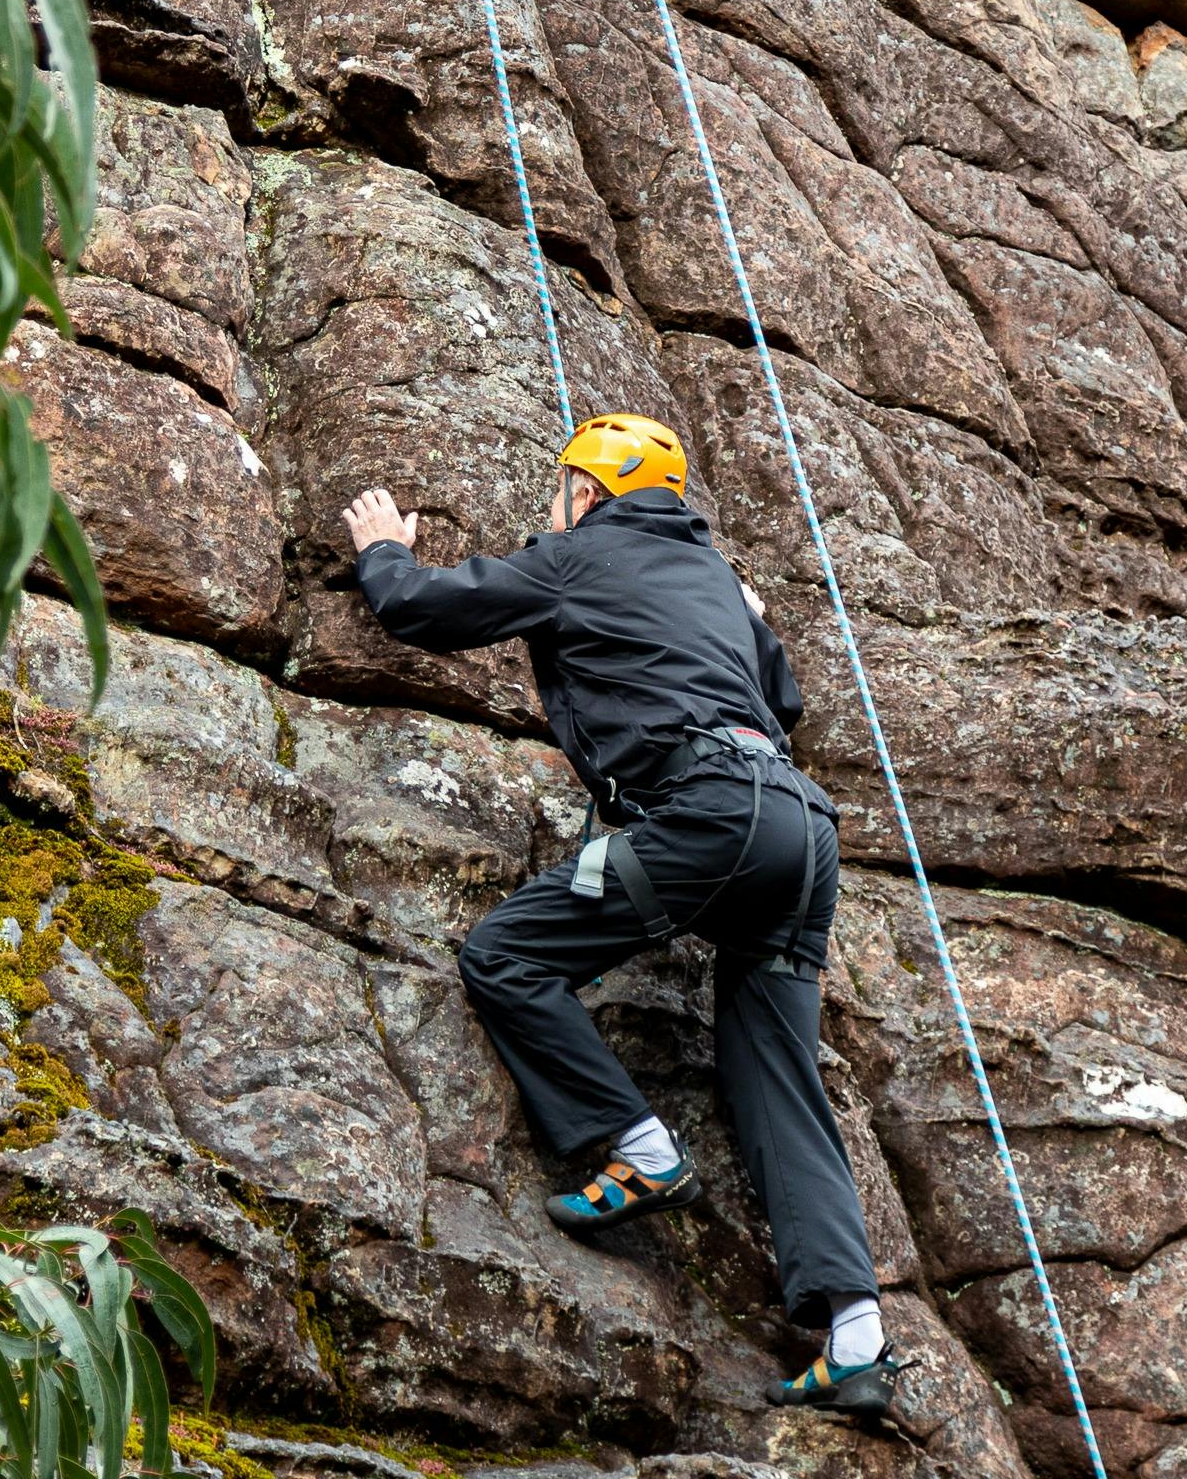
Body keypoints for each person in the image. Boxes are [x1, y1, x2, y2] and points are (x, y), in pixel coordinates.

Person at [341, 415, 898, 1417]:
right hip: (803, 835)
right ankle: (855, 1335)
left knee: (507, 951)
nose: (550, 510)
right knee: (775, 1072)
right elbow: (786, 696)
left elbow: (423, 608)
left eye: (560, 491)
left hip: (710, 813)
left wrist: (385, 546)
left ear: (588, 493)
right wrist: (754, 618)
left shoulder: (578, 553)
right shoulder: (720, 580)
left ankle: (635, 1145)